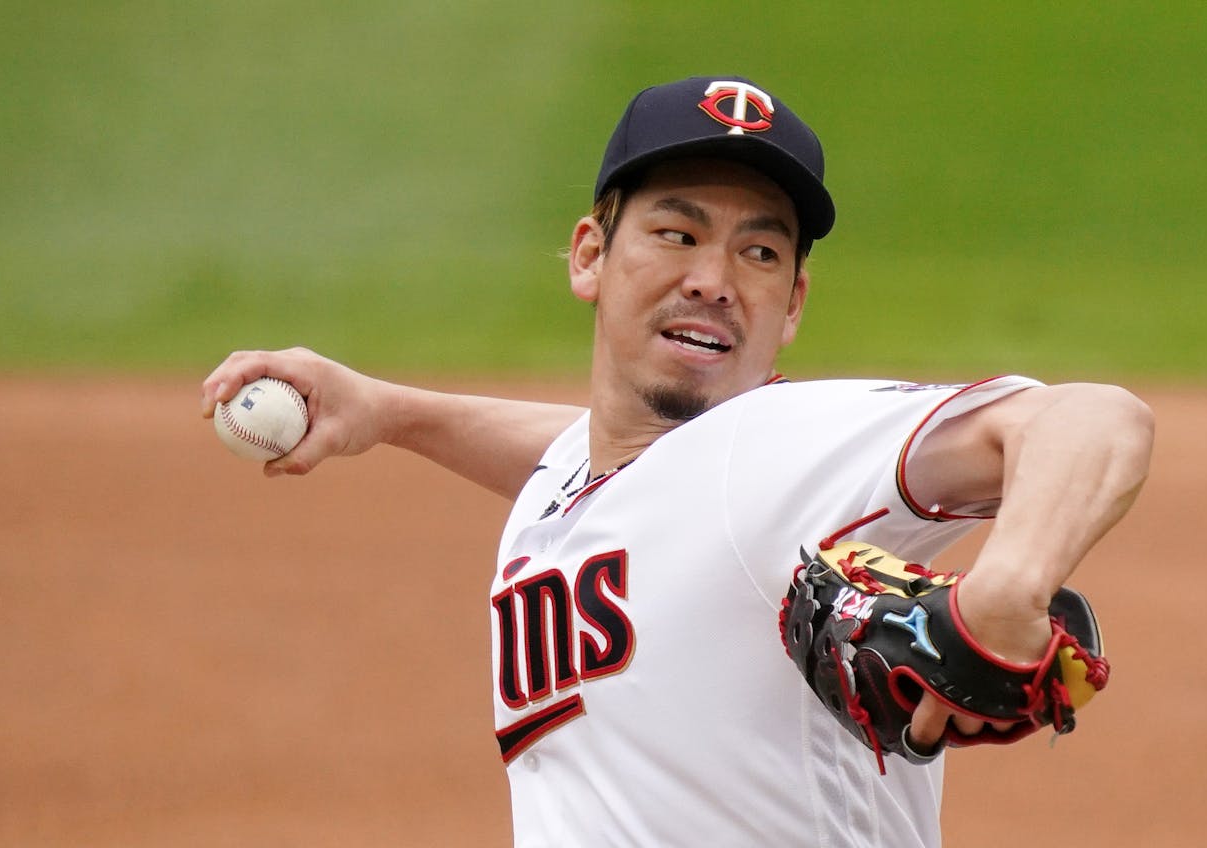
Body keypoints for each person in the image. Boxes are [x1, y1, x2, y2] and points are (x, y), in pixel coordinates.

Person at [201, 76, 1154, 848]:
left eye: (760, 252)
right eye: (677, 232)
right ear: (590, 255)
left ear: (793, 304)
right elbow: (591, 465)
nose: (713, 279)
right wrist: (391, 411)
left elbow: (1091, 419)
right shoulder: (589, 477)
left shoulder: (781, 448)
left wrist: (1009, 585)